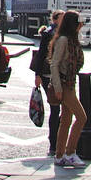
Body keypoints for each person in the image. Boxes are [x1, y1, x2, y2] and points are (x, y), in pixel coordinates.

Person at [48, 10, 88, 167]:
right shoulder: (64, 40)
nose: (81, 25)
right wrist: (57, 87)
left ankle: (59, 155)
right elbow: (54, 64)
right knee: (81, 117)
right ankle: (70, 152)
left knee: (66, 120)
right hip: (64, 84)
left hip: (70, 83)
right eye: (79, 23)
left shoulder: (72, 39)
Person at [34, 11, 65, 157]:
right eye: (61, 18)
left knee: (59, 110)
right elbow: (41, 55)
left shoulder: (66, 33)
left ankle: (58, 142)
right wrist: (38, 75)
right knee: (55, 109)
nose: (64, 20)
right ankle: (54, 143)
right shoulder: (49, 33)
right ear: (54, 20)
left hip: (61, 77)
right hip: (48, 76)